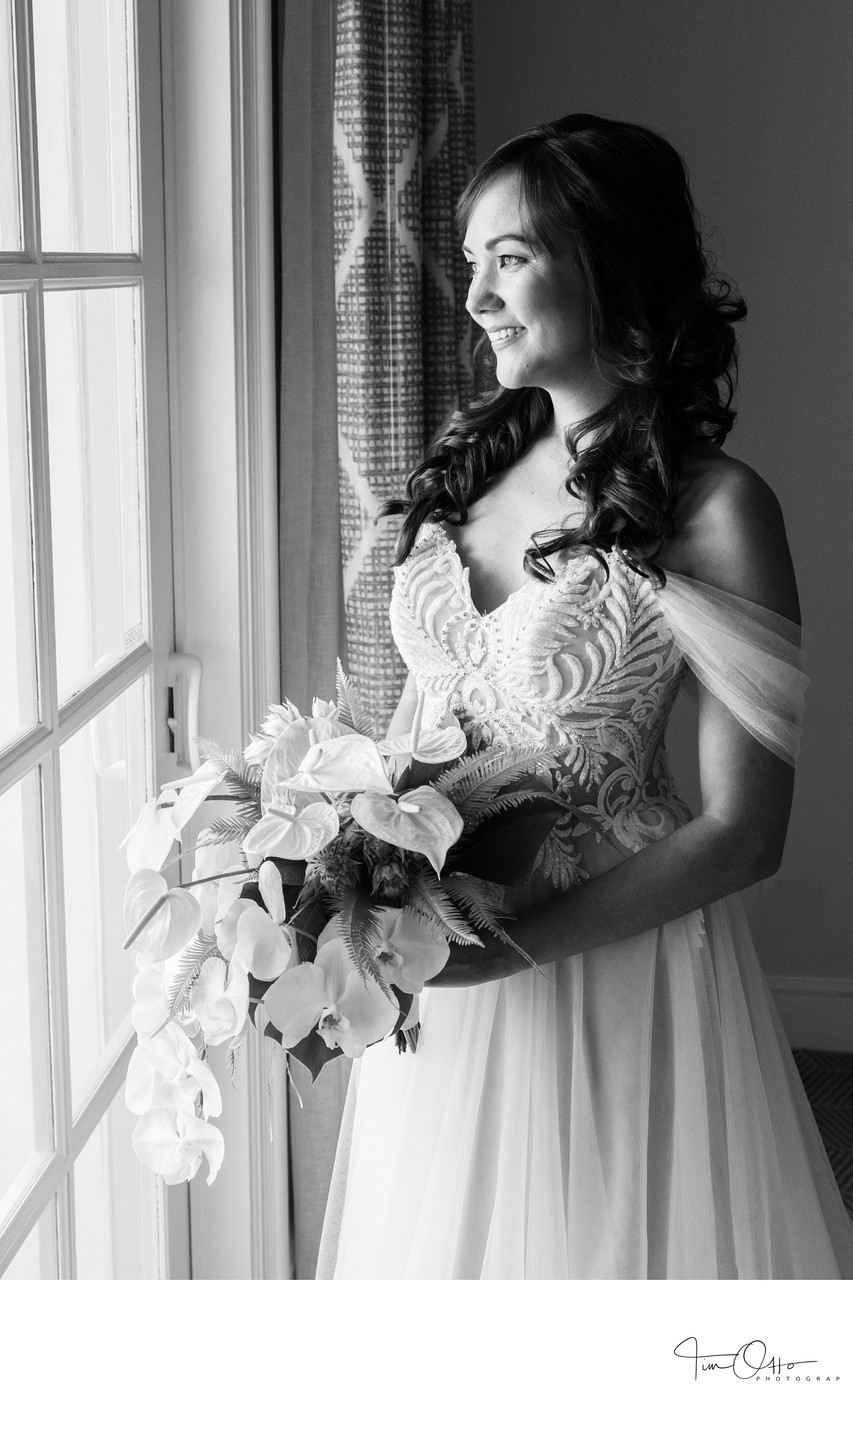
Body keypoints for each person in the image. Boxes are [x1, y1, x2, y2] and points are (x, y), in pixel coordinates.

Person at [316, 114, 853, 1279]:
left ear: (608, 261)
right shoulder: (473, 462)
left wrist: (514, 952)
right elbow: (429, 718)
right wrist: (347, 856)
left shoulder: (714, 508)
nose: (475, 300)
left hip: (606, 954)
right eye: (471, 264)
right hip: (445, 946)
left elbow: (744, 831)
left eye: (509, 259)